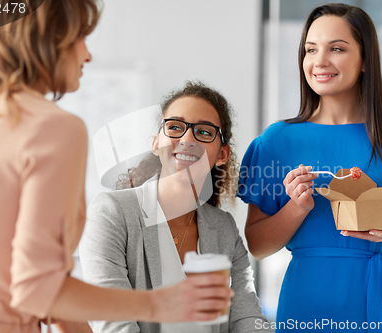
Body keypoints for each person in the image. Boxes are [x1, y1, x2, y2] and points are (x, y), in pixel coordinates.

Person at [0, 1, 232, 333]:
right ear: (45, 40)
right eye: (80, 37)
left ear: (223, 153)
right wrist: (161, 303)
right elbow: (37, 289)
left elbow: (38, 294)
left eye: (204, 132)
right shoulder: (53, 128)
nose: (86, 54)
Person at [237, 3, 382, 333]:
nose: (319, 61)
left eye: (336, 48)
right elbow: (258, 247)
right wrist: (297, 207)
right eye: (310, 49)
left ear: (365, 60)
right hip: (306, 304)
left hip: (379, 304)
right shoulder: (277, 142)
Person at [79, 81, 273, 333]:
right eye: (174, 127)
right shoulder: (111, 212)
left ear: (222, 154)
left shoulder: (223, 227)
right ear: (156, 143)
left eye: (204, 132)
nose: (187, 138)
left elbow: (247, 317)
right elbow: (113, 320)